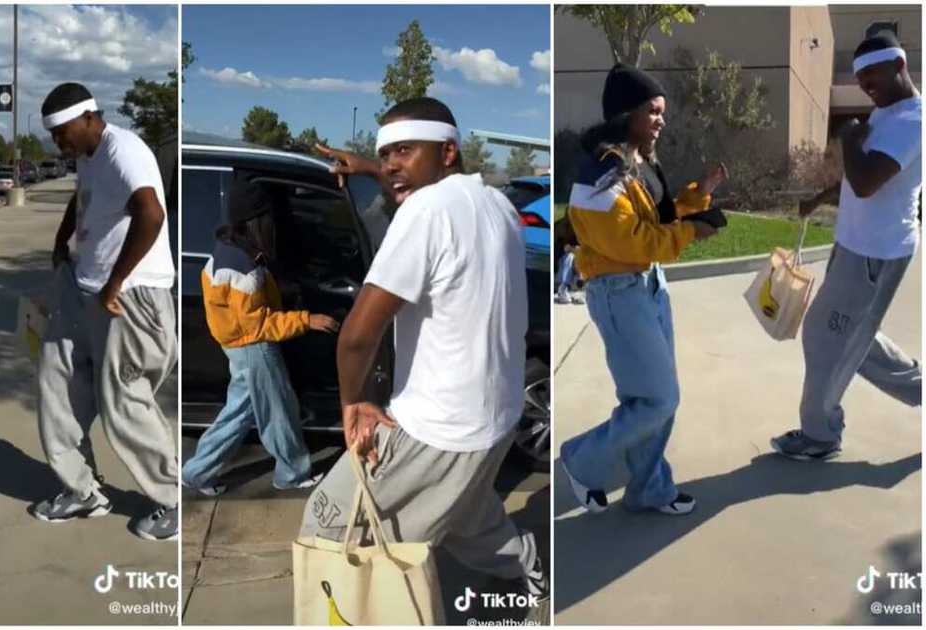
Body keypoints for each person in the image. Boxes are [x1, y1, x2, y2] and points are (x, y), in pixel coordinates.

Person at [301, 97, 548, 602]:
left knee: (327, 526)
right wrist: (373, 168)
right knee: (465, 516)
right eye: (385, 154)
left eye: (404, 151)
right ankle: (530, 570)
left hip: (437, 428)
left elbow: (357, 334)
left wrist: (356, 401)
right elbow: (426, 191)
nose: (391, 165)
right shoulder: (498, 205)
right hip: (496, 419)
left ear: (448, 152)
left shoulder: (424, 211)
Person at [558, 64, 725, 516]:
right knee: (658, 399)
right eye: (652, 111)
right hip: (618, 291)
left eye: (661, 111)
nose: (661, 120)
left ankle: (650, 488)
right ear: (625, 113)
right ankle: (580, 459)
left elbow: (660, 217)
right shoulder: (599, 174)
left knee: (652, 399)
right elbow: (633, 242)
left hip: (647, 285)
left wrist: (699, 197)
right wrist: (692, 232)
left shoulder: (639, 161)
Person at [30, 83, 179, 541]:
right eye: (53, 134)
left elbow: (151, 213)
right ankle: (82, 490)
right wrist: (62, 239)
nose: (58, 141)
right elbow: (82, 198)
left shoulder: (124, 151)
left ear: (90, 117)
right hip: (84, 288)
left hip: (129, 297)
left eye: (62, 131)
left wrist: (116, 281)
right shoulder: (88, 156)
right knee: (56, 384)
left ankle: (172, 499)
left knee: (123, 402)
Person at [771, 34, 922, 460]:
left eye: (871, 74)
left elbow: (867, 180)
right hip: (855, 246)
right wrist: (819, 198)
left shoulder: (913, 120)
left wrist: (850, 139)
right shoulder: (885, 114)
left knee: (824, 336)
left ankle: (820, 435)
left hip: (876, 252)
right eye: (859, 78)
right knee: (853, 336)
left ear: (899, 65)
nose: (865, 85)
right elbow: (859, 178)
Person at [181, 179, 339, 495]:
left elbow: (245, 313)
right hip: (255, 349)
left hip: (238, 346)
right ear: (256, 221)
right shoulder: (245, 268)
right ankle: (291, 474)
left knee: (239, 414)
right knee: (279, 411)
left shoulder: (227, 249)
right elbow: (259, 324)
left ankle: (196, 473)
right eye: (269, 216)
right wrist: (307, 320)